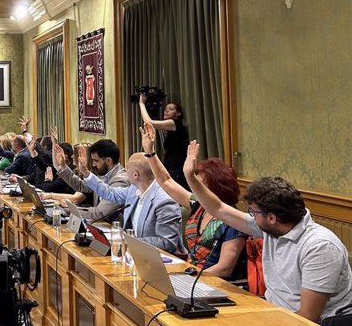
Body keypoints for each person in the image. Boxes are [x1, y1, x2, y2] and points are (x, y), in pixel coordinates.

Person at [183, 140, 352, 322]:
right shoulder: (272, 229)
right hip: (274, 314)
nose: (251, 216)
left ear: (271, 217)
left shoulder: (319, 247)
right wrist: (190, 176)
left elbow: (308, 317)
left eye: (253, 212)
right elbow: (219, 209)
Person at [141, 123, 246, 278]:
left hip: (216, 285)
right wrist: (150, 153)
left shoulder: (234, 220)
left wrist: (188, 277)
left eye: (199, 185)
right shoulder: (199, 205)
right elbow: (166, 182)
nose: (195, 189)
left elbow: (225, 268)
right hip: (190, 276)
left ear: (216, 188)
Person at [77, 147, 184, 254]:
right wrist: (85, 173)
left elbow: (167, 243)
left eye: (127, 168)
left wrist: (127, 241)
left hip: (161, 260)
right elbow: (110, 193)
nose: (124, 172)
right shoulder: (133, 190)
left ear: (135, 175)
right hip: (134, 253)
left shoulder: (164, 201)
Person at [52, 139, 130, 224]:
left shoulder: (121, 180)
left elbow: (100, 212)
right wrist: (63, 166)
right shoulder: (103, 173)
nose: (93, 164)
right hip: (97, 225)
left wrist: (71, 209)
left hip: (113, 231)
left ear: (108, 161)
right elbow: (81, 186)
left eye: (96, 161)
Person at [139, 96, 189, 189]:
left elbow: (149, 122)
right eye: (166, 109)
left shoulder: (175, 123)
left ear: (178, 113)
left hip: (177, 170)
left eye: (171, 109)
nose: (166, 111)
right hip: (173, 168)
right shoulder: (173, 127)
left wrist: (141, 103)